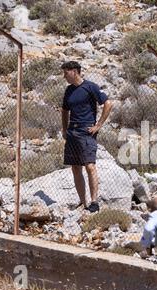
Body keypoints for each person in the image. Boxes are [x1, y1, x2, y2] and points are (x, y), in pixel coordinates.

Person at [61, 61, 113, 212]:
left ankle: (94, 202)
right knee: (75, 168)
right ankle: (83, 204)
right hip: (72, 132)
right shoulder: (68, 90)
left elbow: (108, 104)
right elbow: (64, 111)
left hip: (86, 131)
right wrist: (64, 129)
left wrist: (98, 125)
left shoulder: (90, 87)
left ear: (75, 71)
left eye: (66, 72)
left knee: (90, 166)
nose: (64, 75)